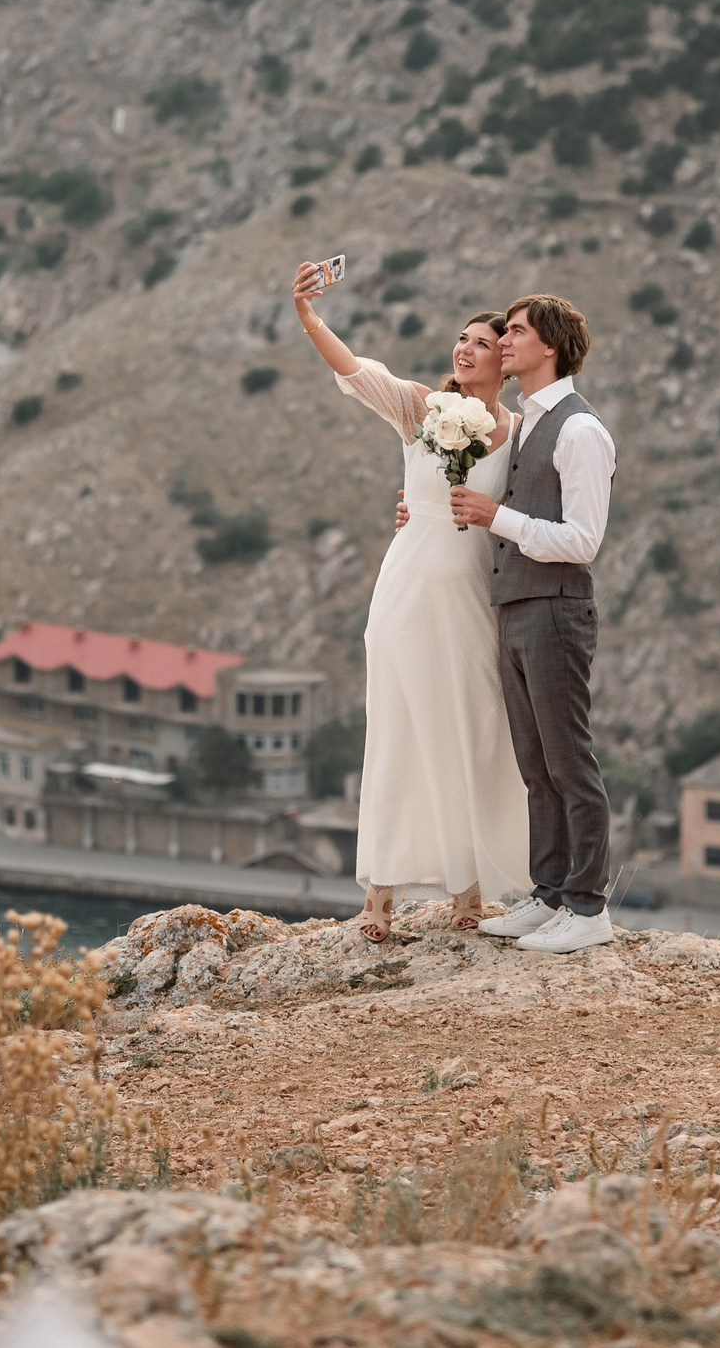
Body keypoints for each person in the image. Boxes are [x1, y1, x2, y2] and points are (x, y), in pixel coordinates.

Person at [293, 263, 529, 942]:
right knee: (395, 730)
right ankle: (377, 900)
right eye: (461, 338)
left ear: (504, 361)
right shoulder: (421, 407)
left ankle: (469, 890)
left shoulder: (521, 435)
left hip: (472, 600)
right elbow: (357, 371)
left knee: (468, 733)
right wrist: (310, 317)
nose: (465, 348)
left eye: (481, 342)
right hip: (405, 590)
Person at [449, 295, 618, 955]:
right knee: (535, 765)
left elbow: (583, 539)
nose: (505, 339)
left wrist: (499, 519)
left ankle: (587, 904)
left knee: (570, 761)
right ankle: (549, 893)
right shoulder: (524, 425)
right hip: (516, 608)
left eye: (516, 331)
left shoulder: (581, 431)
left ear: (549, 345)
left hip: (555, 610)